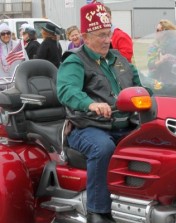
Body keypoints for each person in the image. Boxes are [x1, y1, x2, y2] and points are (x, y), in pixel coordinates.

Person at [57, 2, 141, 223]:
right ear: (85, 36)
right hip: (88, 126)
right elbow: (66, 90)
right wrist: (90, 104)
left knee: (155, 141)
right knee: (103, 148)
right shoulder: (75, 60)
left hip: (123, 123)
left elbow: (141, 85)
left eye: (109, 33)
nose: (107, 39)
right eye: (101, 35)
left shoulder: (118, 59)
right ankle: (98, 211)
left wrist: (160, 92)